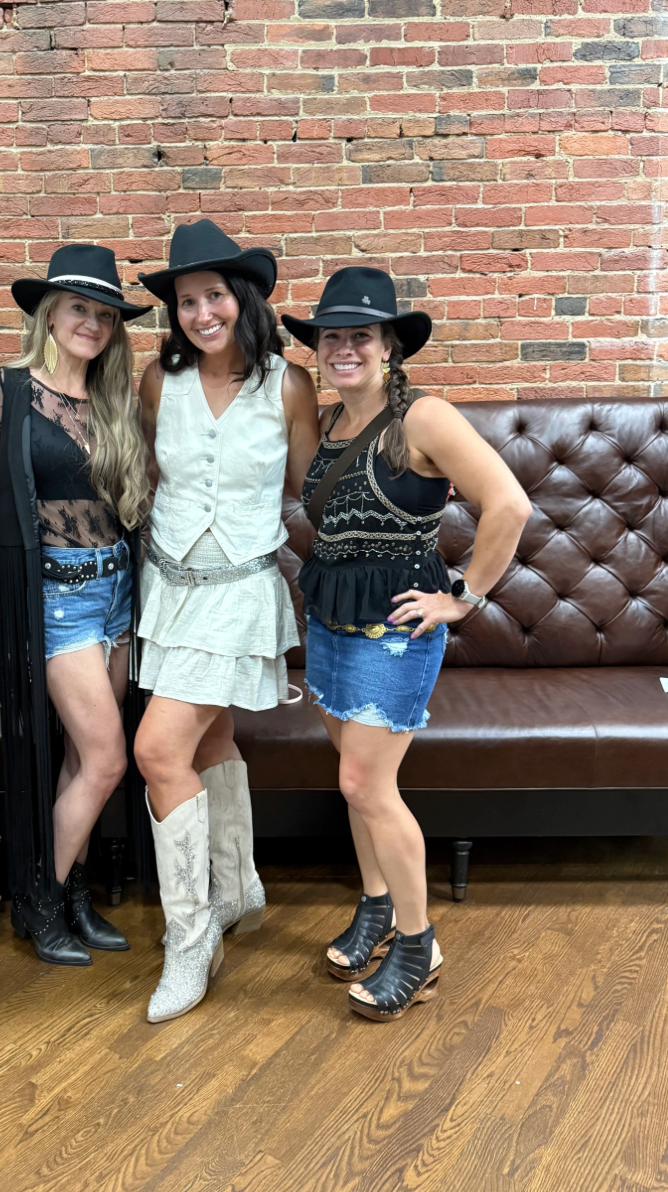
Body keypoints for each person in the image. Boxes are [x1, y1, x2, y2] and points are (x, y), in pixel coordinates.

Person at [282, 266, 531, 1021]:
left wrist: (464, 598)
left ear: (390, 345)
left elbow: (509, 505)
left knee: (366, 784)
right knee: (353, 780)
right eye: (332, 336)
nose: (344, 348)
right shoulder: (328, 422)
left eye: (361, 335)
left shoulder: (424, 417)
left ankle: (419, 948)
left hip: (395, 625)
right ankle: (377, 906)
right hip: (329, 616)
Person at [133, 219, 320, 1023]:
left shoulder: (288, 385)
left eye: (214, 296)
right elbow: (152, 476)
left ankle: (191, 938)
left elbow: (313, 489)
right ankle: (237, 885)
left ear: (243, 298)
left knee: (156, 751)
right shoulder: (157, 382)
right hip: (169, 586)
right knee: (208, 741)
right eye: (186, 301)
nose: (201, 313)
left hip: (242, 590)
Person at [0, 244, 153, 966]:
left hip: (118, 592)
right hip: (58, 597)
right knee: (107, 759)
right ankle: (37, 900)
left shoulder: (112, 399)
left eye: (105, 314)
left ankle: (71, 894)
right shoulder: (4, 390)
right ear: (49, 313)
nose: (93, 324)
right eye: (79, 308)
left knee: (81, 755)